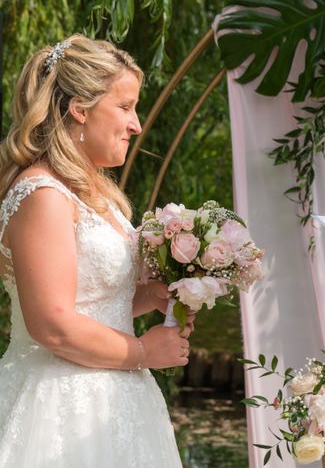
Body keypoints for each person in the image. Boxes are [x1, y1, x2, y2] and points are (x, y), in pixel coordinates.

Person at [0, 34, 194, 467]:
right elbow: (53, 324)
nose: (137, 124)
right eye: (125, 107)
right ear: (80, 109)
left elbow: (95, 300)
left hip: (119, 403)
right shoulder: (42, 194)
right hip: (60, 412)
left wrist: (153, 296)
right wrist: (145, 351)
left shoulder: (94, 195)